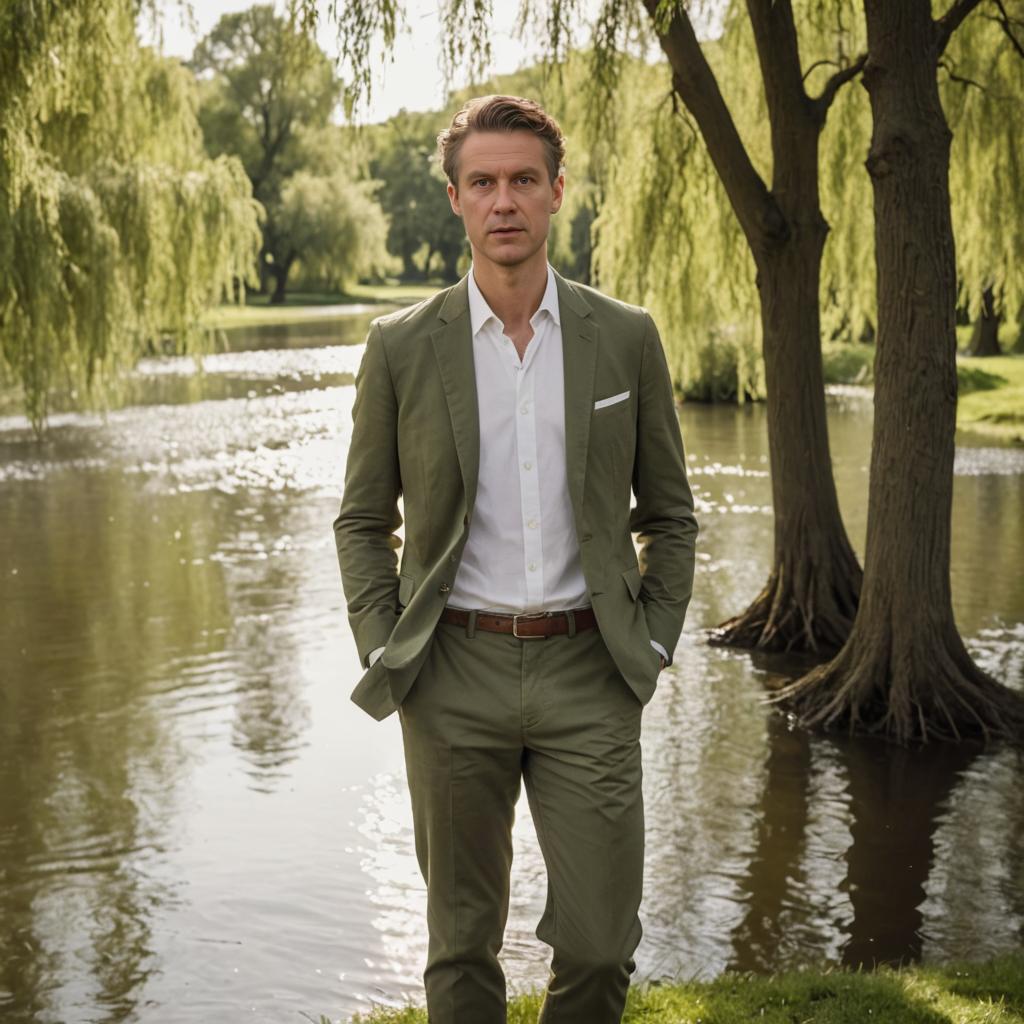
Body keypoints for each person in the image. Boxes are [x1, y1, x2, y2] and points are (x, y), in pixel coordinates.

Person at [334, 94, 697, 1024]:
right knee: (460, 946)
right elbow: (363, 520)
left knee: (602, 943)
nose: (505, 201)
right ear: (456, 199)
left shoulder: (626, 338)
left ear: (557, 193)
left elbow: (671, 515)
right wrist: (389, 647)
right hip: (451, 671)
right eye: (483, 182)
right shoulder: (402, 347)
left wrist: (651, 645)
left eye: (523, 181)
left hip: (592, 670)